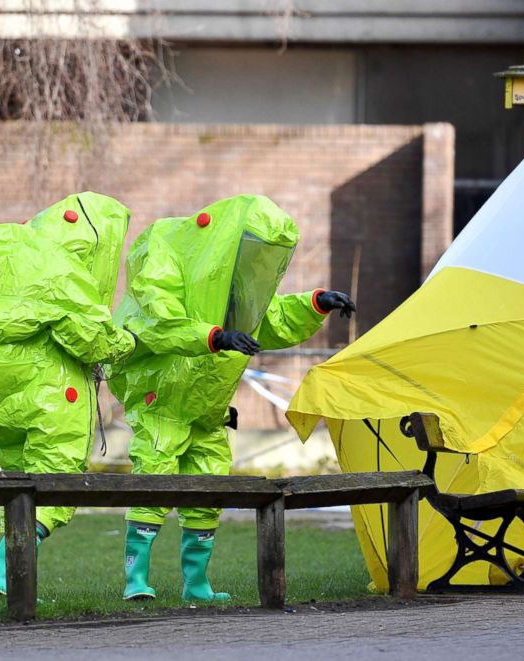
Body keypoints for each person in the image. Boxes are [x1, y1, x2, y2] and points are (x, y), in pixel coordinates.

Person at [107, 194, 354, 602]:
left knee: (209, 488)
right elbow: (157, 320)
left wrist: (316, 303)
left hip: (209, 411)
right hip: (164, 402)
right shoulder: (169, 254)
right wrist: (215, 337)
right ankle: (136, 579)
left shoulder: (236, 289)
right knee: (154, 482)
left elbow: (269, 320)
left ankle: (196, 584)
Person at [0, 192, 138, 598]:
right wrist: (127, 341)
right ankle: (5, 572)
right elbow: (92, 338)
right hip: (21, 376)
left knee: (21, 468)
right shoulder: (58, 268)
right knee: (58, 467)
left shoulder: (9, 248)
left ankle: (7, 573)